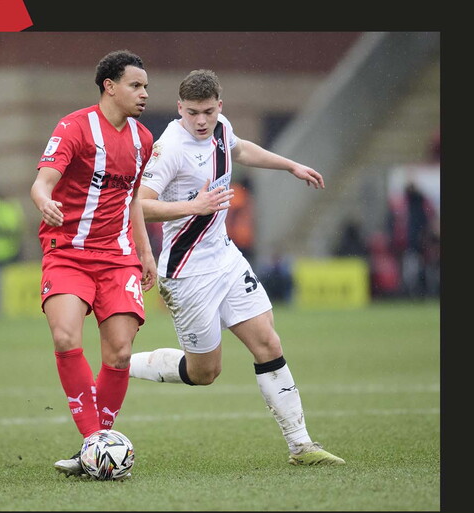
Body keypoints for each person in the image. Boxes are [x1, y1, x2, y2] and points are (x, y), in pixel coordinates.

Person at [128, 69, 345, 466]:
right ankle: (124, 364)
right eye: (192, 112)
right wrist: (192, 206)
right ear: (179, 108)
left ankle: (301, 445)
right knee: (205, 372)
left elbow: (240, 149)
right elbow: (138, 203)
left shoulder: (222, 127)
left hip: (225, 258)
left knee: (268, 343)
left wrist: (290, 165)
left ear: (219, 107)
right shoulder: (170, 148)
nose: (201, 120)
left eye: (208, 111)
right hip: (188, 271)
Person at [29, 50, 156, 478]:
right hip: (67, 252)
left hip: (118, 258)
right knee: (66, 337)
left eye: (145, 86)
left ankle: (96, 443)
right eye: (136, 85)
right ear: (110, 86)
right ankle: (94, 444)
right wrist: (45, 201)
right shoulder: (73, 127)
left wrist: (145, 253)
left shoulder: (144, 139)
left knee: (119, 353)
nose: (143, 94)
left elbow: (133, 199)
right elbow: (42, 182)